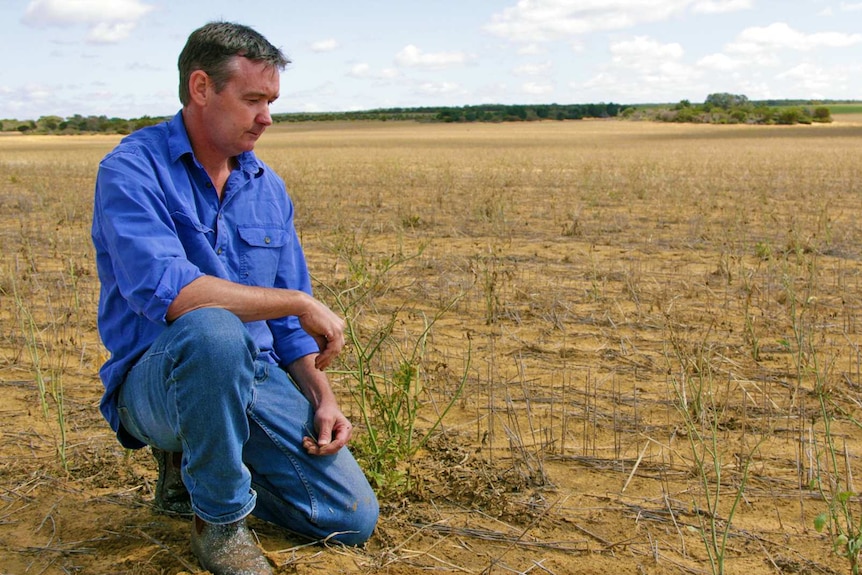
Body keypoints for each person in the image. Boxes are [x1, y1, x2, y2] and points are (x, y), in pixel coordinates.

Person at [91, 21, 379, 575]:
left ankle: (195, 475)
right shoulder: (131, 170)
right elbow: (173, 293)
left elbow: (290, 332)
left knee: (349, 518)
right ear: (201, 88)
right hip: (159, 382)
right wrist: (295, 300)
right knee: (212, 329)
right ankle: (219, 525)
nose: (267, 117)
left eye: (270, 101)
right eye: (253, 100)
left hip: (254, 377)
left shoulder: (266, 187)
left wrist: (322, 396)